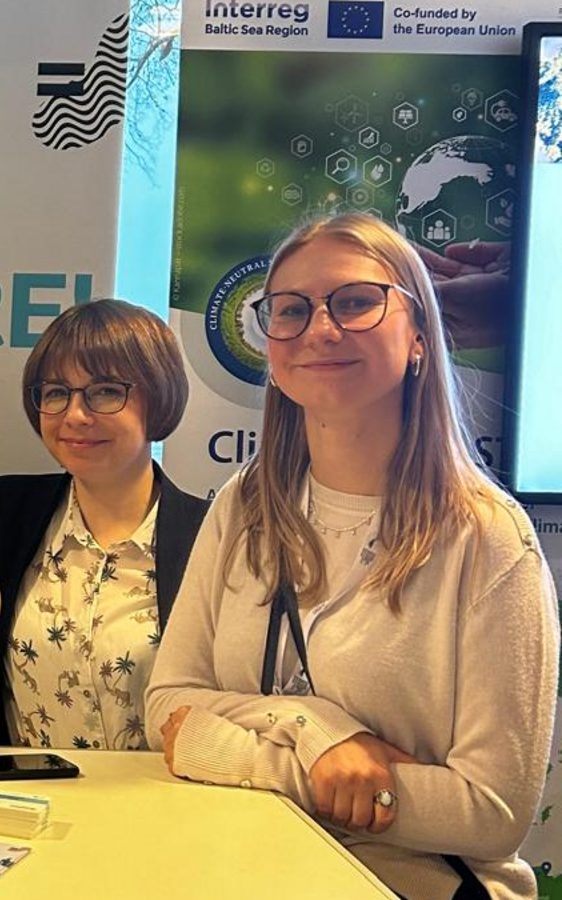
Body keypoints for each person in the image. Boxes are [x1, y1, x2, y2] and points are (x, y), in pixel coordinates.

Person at [147, 213, 557, 900]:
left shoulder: (488, 539)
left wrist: (231, 751)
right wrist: (322, 734)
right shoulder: (241, 507)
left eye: (357, 302)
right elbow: (170, 705)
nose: (321, 329)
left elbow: (492, 814)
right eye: (292, 310)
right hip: (238, 871)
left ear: (420, 335)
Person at [0, 299, 209, 748]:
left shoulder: (213, 537)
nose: (75, 415)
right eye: (56, 392)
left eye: (105, 391)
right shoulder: (1, 512)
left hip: (159, 808)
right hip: (16, 806)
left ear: (158, 398)